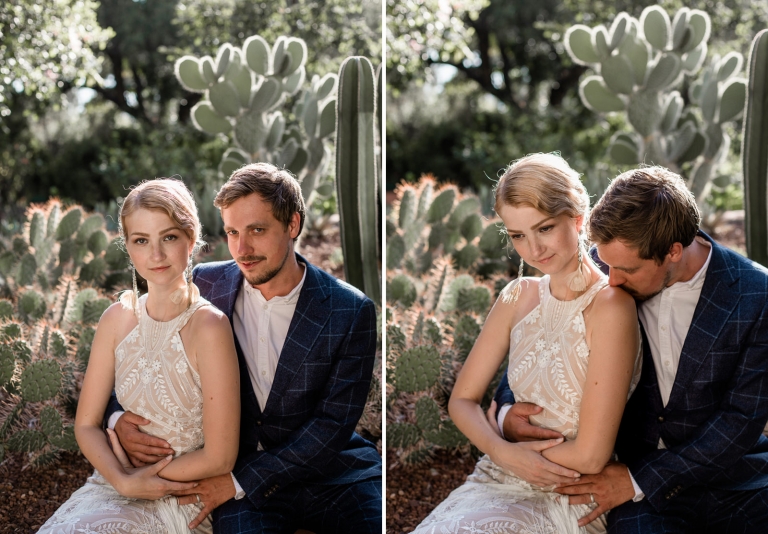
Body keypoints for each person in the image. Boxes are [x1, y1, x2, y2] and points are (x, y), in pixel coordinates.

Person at [106, 162, 382, 533]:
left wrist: (237, 482)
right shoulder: (204, 284)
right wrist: (117, 419)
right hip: (237, 482)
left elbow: (331, 426)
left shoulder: (349, 310)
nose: (243, 248)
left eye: (257, 230)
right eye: (233, 232)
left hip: (332, 476)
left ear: (293, 225)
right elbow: (136, 351)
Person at [494, 166, 768, 533]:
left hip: (737, 481)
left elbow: (740, 419)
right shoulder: (600, 268)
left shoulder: (756, 295)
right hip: (637, 492)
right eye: (607, 263)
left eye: (627, 270)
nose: (613, 279)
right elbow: (542, 339)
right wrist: (508, 410)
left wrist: (637, 479)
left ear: (673, 251)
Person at [412, 153, 642, 534]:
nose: (534, 249)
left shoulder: (611, 306)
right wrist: (502, 451)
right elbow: (462, 401)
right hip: (494, 477)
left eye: (545, 228)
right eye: (518, 235)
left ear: (579, 218)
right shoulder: (517, 296)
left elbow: (590, 454)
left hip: (569, 491)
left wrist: (511, 453)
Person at [38, 179, 241, 534]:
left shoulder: (209, 327)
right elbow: (86, 424)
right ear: (128, 247)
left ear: (191, 240)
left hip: (180, 496)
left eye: (170, 237)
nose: (156, 255)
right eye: (141, 241)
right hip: (110, 485)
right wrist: (122, 479)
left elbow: (221, 457)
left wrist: (141, 477)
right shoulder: (116, 318)